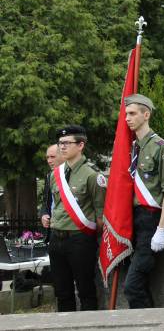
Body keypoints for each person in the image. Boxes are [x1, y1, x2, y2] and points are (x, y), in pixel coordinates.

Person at [122, 94, 164, 309]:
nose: (127, 118)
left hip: (152, 221)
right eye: (127, 114)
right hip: (133, 220)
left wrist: (162, 229)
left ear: (146, 115)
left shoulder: (160, 148)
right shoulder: (134, 147)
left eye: (133, 113)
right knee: (140, 284)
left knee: (132, 285)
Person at [48, 125, 106, 311]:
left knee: (86, 291)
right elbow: (55, 204)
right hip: (57, 239)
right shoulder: (55, 175)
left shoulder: (92, 175)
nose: (62, 147)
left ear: (80, 145)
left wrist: (88, 238)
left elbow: (100, 214)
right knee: (62, 293)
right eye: (60, 143)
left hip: (80, 240)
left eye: (66, 143)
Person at [40, 144, 63, 240]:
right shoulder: (50, 176)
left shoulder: (75, 176)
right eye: (47, 157)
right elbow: (46, 201)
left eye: (53, 157)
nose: (49, 161)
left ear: (63, 155)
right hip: (53, 231)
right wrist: (44, 214)